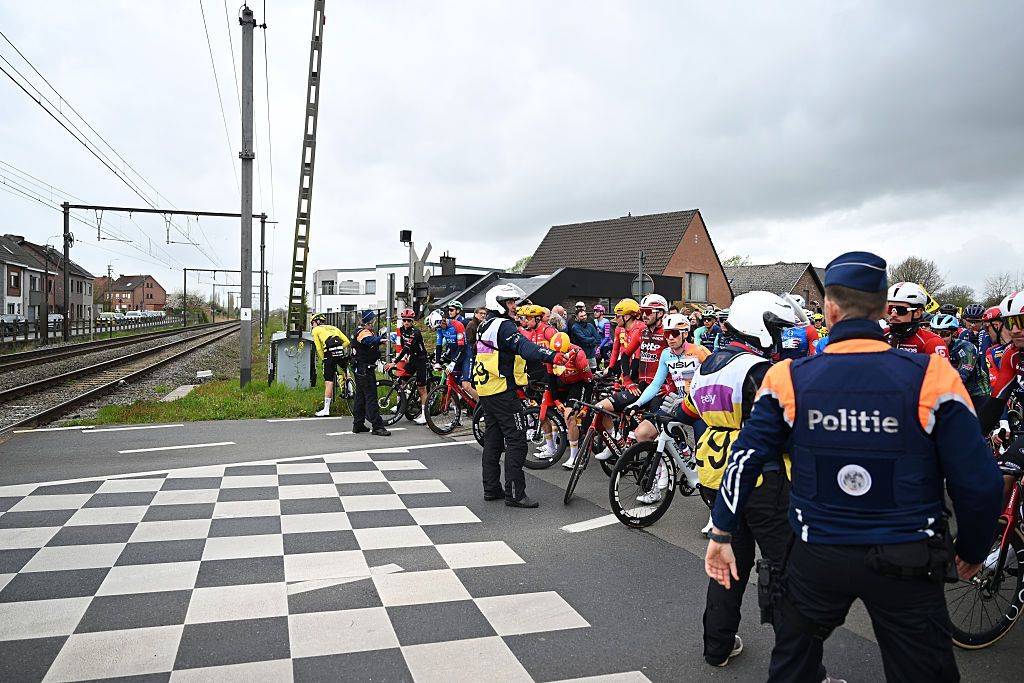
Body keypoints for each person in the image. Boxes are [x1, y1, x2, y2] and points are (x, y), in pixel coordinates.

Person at [705, 251, 1002, 683]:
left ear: (828, 308)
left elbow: (744, 459)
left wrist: (722, 531)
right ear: (883, 308)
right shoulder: (933, 375)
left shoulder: (785, 377)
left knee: (792, 669)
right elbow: (979, 484)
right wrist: (972, 550)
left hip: (815, 553)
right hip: (909, 556)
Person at [674, 291, 803, 668]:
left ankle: (717, 646)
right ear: (759, 327)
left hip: (716, 477)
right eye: (777, 330)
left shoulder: (707, 365)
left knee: (728, 560)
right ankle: (803, 669)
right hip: (763, 479)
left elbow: (687, 409)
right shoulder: (760, 371)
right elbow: (787, 432)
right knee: (786, 572)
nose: (781, 339)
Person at [473, 283, 567, 507]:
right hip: (503, 391)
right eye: (510, 302)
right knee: (517, 441)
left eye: (514, 301)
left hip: (487, 390)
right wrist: (553, 356)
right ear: (499, 304)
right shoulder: (503, 326)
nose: (514, 306)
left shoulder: (483, 324)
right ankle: (515, 494)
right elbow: (525, 347)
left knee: (493, 441)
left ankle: (491, 488)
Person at [624, 313, 710, 502]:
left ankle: (713, 507)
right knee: (642, 433)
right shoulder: (666, 354)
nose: (670, 338)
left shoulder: (699, 351)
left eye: (674, 333)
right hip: (677, 405)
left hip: (699, 409)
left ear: (685, 333)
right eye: (667, 334)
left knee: (705, 457)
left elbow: (715, 378)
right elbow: (656, 385)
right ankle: (656, 485)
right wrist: (636, 403)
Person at [540, 331, 594, 470]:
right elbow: (551, 378)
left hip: (577, 384)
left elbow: (589, 382)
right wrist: (556, 401)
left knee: (569, 416)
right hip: (559, 383)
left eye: (563, 355)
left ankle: (574, 456)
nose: (560, 358)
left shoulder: (579, 355)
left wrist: (585, 407)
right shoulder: (551, 354)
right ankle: (551, 448)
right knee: (544, 413)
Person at [931, 314, 989, 411]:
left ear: (953, 334)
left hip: (976, 392)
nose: (939, 338)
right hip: (951, 392)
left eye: (944, 334)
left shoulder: (966, 348)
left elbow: (962, 376)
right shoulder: (931, 346)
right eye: (935, 333)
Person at [385, 308, 431, 425]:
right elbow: (406, 347)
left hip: (421, 360)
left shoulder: (415, 332)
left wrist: (394, 362)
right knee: (401, 382)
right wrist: (407, 356)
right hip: (412, 359)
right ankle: (401, 405)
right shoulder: (402, 330)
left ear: (412, 322)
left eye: (409, 321)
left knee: (421, 389)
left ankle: (425, 415)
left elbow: (406, 348)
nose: (406, 322)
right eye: (404, 320)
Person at [349, 310, 391, 436]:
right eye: (372, 321)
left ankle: (358, 424)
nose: (373, 323)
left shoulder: (357, 330)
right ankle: (377, 426)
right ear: (369, 322)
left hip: (358, 368)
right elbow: (367, 340)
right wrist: (379, 340)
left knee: (360, 397)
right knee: (371, 397)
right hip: (364, 369)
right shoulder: (363, 332)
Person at [885, 282, 948, 357]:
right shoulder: (878, 334)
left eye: (900, 310)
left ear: (917, 313)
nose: (893, 314)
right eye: (890, 309)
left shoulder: (932, 342)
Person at [310, 313, 351, 417]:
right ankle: (350, 389)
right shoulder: (334, 328)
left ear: (317, 322)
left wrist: (323, 358)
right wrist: (340, 348)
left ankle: (326, 409)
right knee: (345, 370)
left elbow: (318, 347)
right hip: (340, 351)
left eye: (312, 323)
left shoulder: (315, 330)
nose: (312, 325)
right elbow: (347, 341)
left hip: (329, 354)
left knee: (329, 382)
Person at [461, 307, 488, 402]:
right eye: (481, 313)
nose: (483, 315)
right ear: (475, 314)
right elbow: (469, 343)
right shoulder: (471, 325)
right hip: (473, 356)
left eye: (484, 314)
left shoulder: (483, 324)